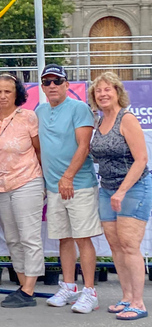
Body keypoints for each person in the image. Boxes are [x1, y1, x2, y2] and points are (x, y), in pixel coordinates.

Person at [35, 64, 102, 313]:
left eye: (57, 81)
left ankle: (90, 292)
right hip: (54, 187)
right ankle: (70, 287)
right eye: (47, 81)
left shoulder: (79, 108)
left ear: (66, 84)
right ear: (42, 87)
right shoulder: (40, 110)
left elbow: (84, 146)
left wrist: (68, 177)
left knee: (83, 238)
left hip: (78, 185)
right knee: (64, 238)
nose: (51, 86)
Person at [88, 72, 150, 321]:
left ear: (117, 92)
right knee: (115, 246)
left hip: (133, 189)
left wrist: (122, 191)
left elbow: (142, 159)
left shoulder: (127, 119)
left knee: (130, 245)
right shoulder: (99, 121)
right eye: (98, 91)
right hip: (107, 188)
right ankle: (126, 297)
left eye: (107, 89)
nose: (103, 94)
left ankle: (138, 302)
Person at [0, 74, 44, 308]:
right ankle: (23, 286)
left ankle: (28, 291)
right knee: (13, 239)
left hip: (27, 181)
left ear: (17, 93)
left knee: (29, 238)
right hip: (1, 186)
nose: (3, 95)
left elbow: (39, 151)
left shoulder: (28, 117)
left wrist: (44, 183)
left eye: (8, 91)